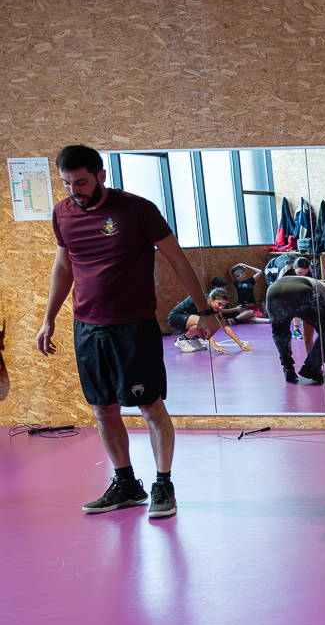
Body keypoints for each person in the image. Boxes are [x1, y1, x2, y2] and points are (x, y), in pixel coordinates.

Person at [36, 144, 219, 519]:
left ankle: (163, 484)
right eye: (67, 183)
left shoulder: (137, 209)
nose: (74, 190)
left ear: (101, 176)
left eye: (81, 182)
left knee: (150, 407)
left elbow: (177, 259)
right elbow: (63, 267)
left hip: (133, 328)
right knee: (103, 410)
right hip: (88, 328)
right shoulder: (62, 213)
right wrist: (48, 317)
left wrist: (204, 311)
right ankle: (126, 484)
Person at [167, 287, 252, 354]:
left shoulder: (215, 307)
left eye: (223, 305)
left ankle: (193, 339)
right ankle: (182, 340)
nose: (221, 307)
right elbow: (206, 325)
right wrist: (214, 346)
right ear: (211, 299)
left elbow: (225, 327)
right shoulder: (202, 301)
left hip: (189, 319)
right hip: (175, 318)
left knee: (209, 322)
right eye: (219, 304)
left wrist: (241, 344)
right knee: (203, 322)